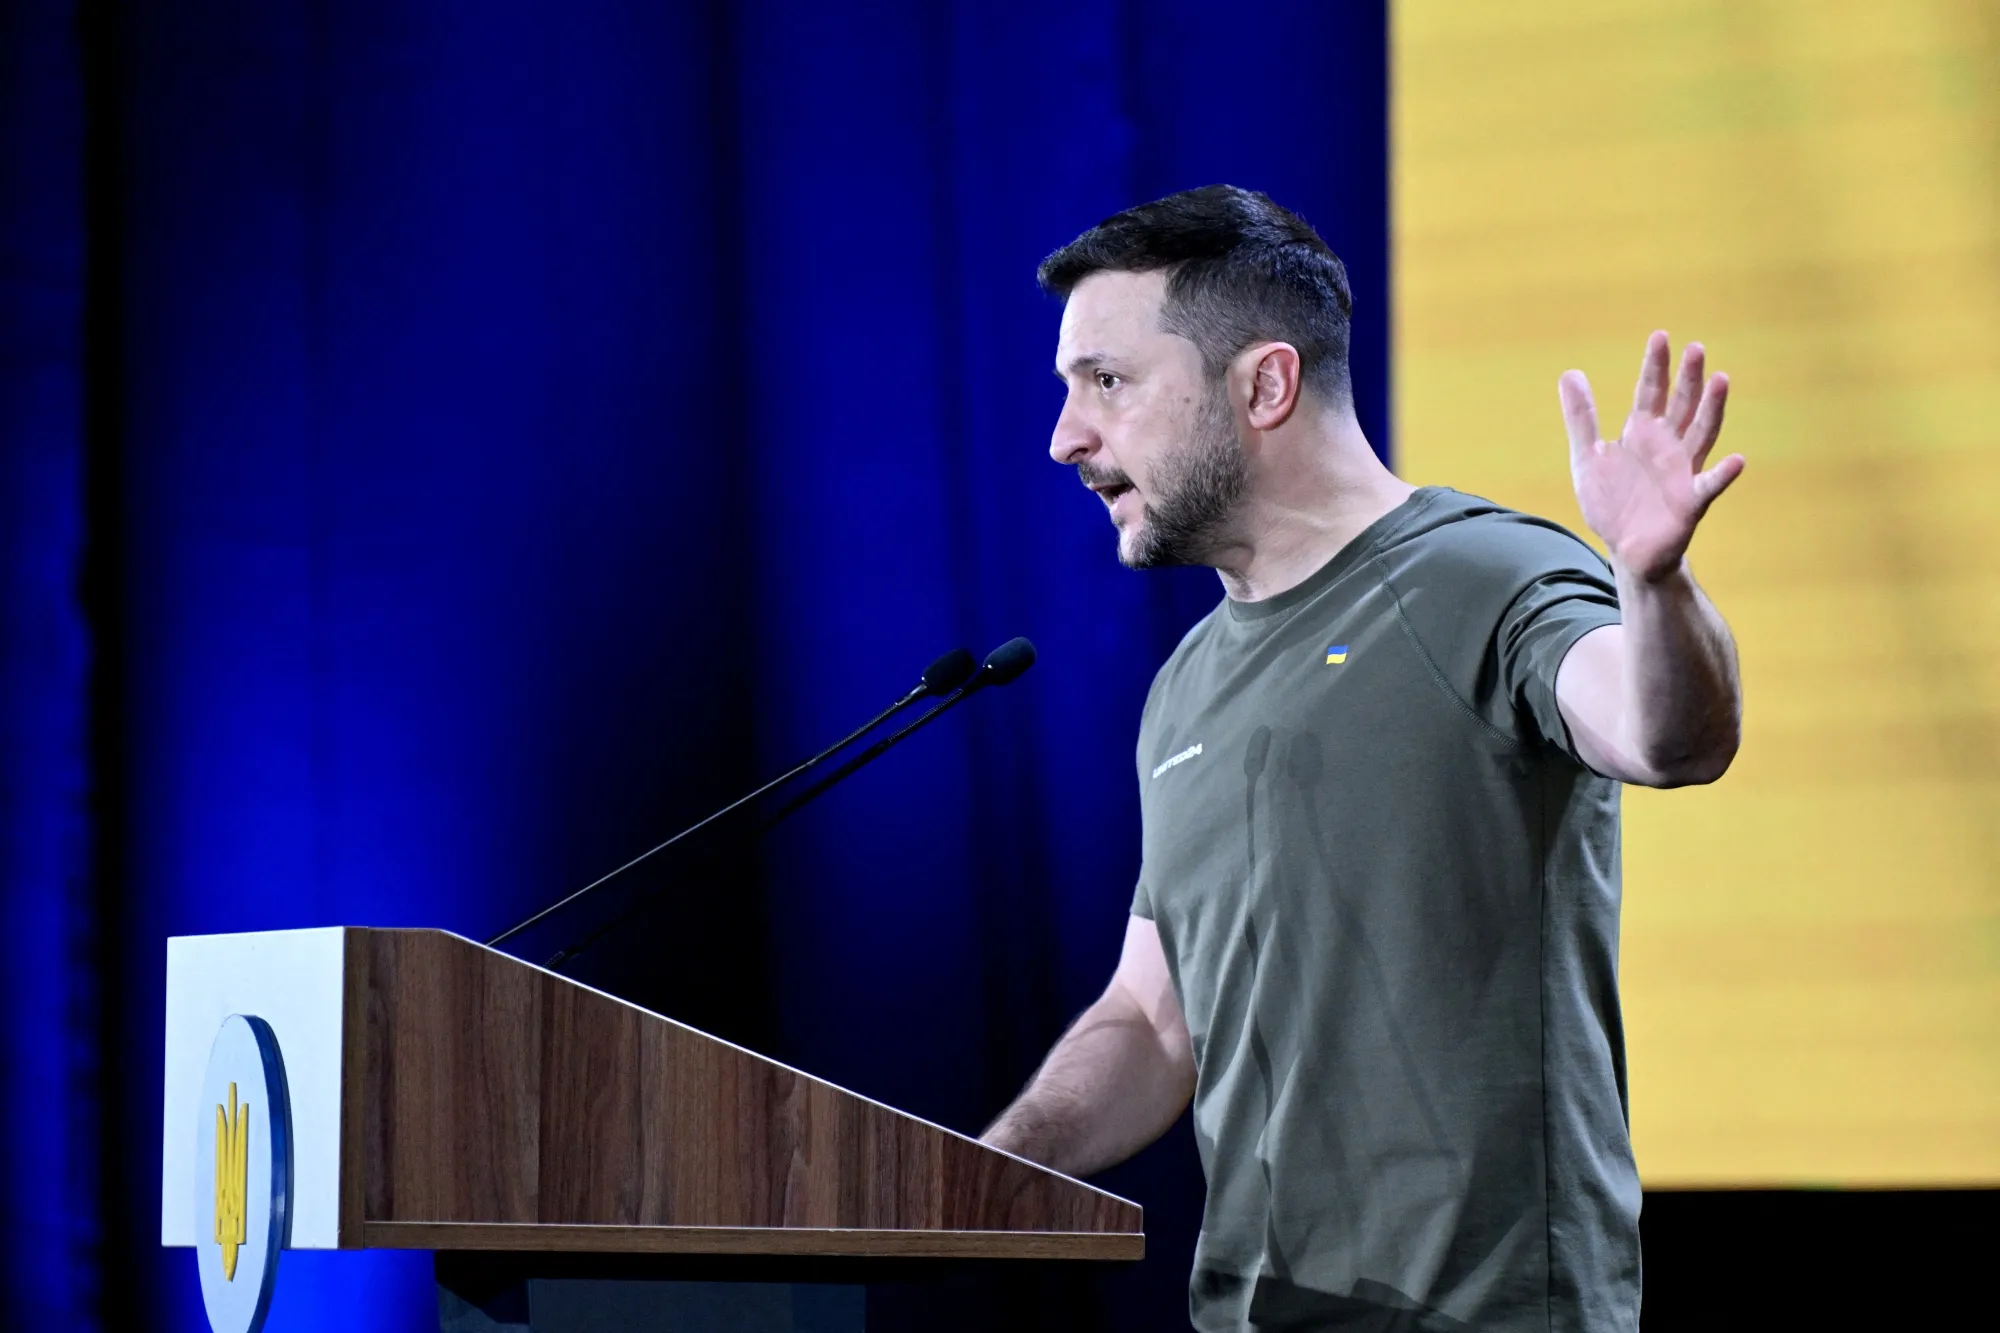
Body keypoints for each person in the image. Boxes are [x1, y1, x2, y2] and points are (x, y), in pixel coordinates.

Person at [980, 185, 1743, 1333]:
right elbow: (1152, 1018)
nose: (1064, 436)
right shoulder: (1184, 683)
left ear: (1264, 385)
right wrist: (982, 1168)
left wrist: (1651, 582)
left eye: (1107, 381)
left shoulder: (1484, 575)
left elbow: (1664, 735)